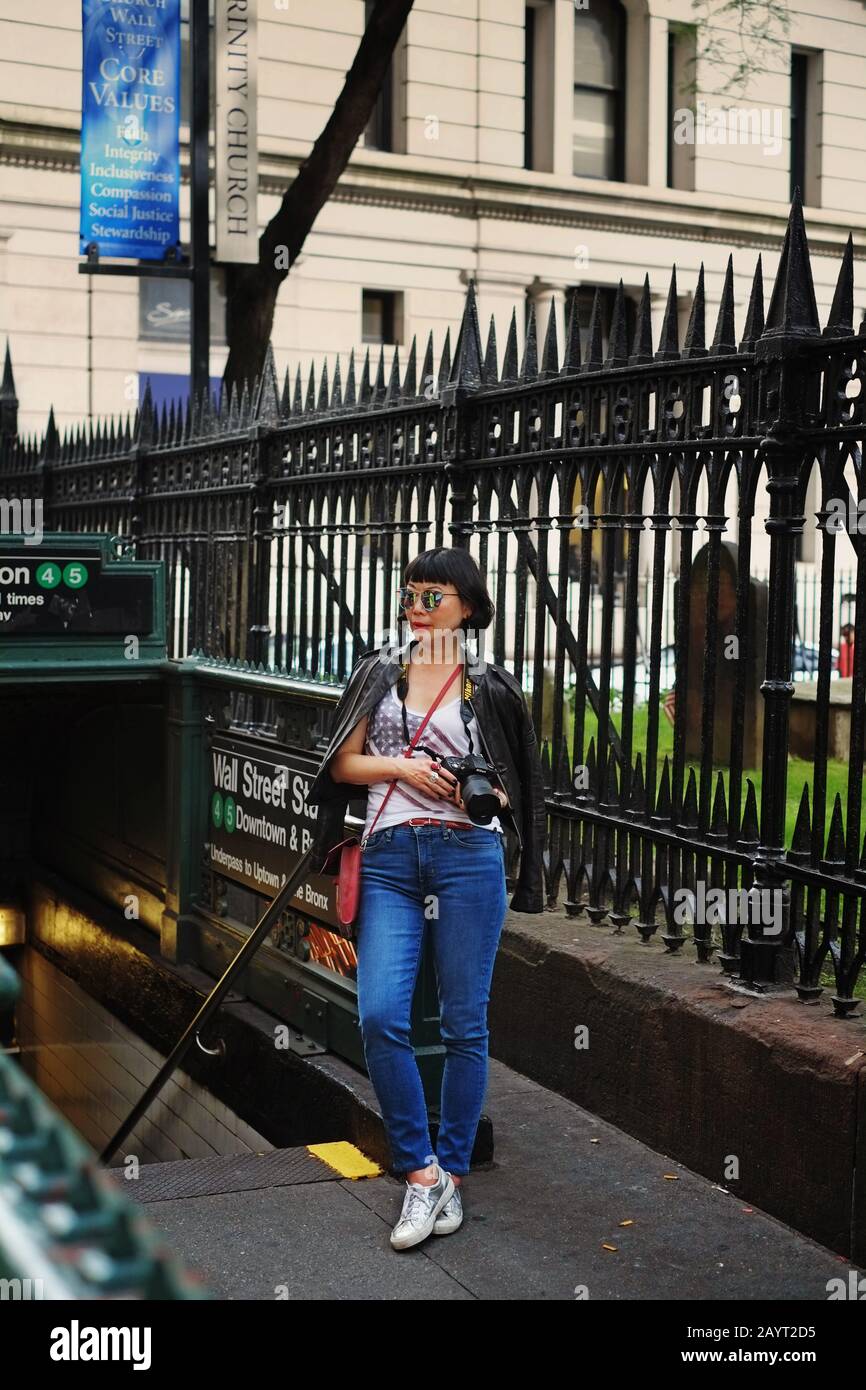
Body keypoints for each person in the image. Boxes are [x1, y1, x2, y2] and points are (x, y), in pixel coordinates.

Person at [306, 547, 547, 1251]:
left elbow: (519, 790)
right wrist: (403, 766)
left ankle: (449, 1177)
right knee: (381, 1014)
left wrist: (488, 792)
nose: (416, 605)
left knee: (466, 1025)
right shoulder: (382, 673)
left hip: (466, 860)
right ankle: (419, 1171)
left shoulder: (491, 688)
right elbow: (340, 763)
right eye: (411, 593)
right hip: (388, 859)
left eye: (432, 595)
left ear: (466, 607)